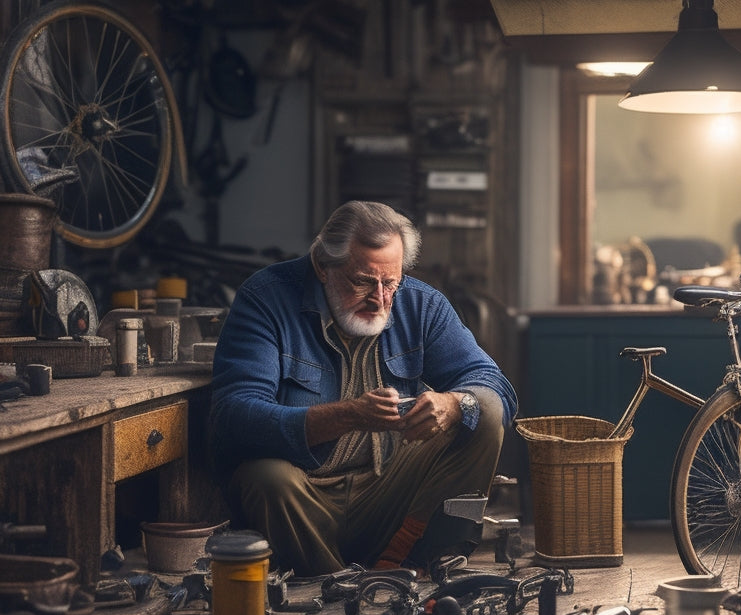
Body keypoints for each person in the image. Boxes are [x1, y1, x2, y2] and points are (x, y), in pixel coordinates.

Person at [208, 200, 518, 578]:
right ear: (323, 266)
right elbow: (235, 416)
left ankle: (423, 565)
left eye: (390, 282)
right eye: (362, 281)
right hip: (304, 496)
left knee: (480, 412)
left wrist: (453, 404)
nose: (380, 299)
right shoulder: (266, 299)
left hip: (386, 491)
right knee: (266, 478)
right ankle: (336, 585)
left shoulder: (421, 304)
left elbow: (494, 384)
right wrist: (348, 416)